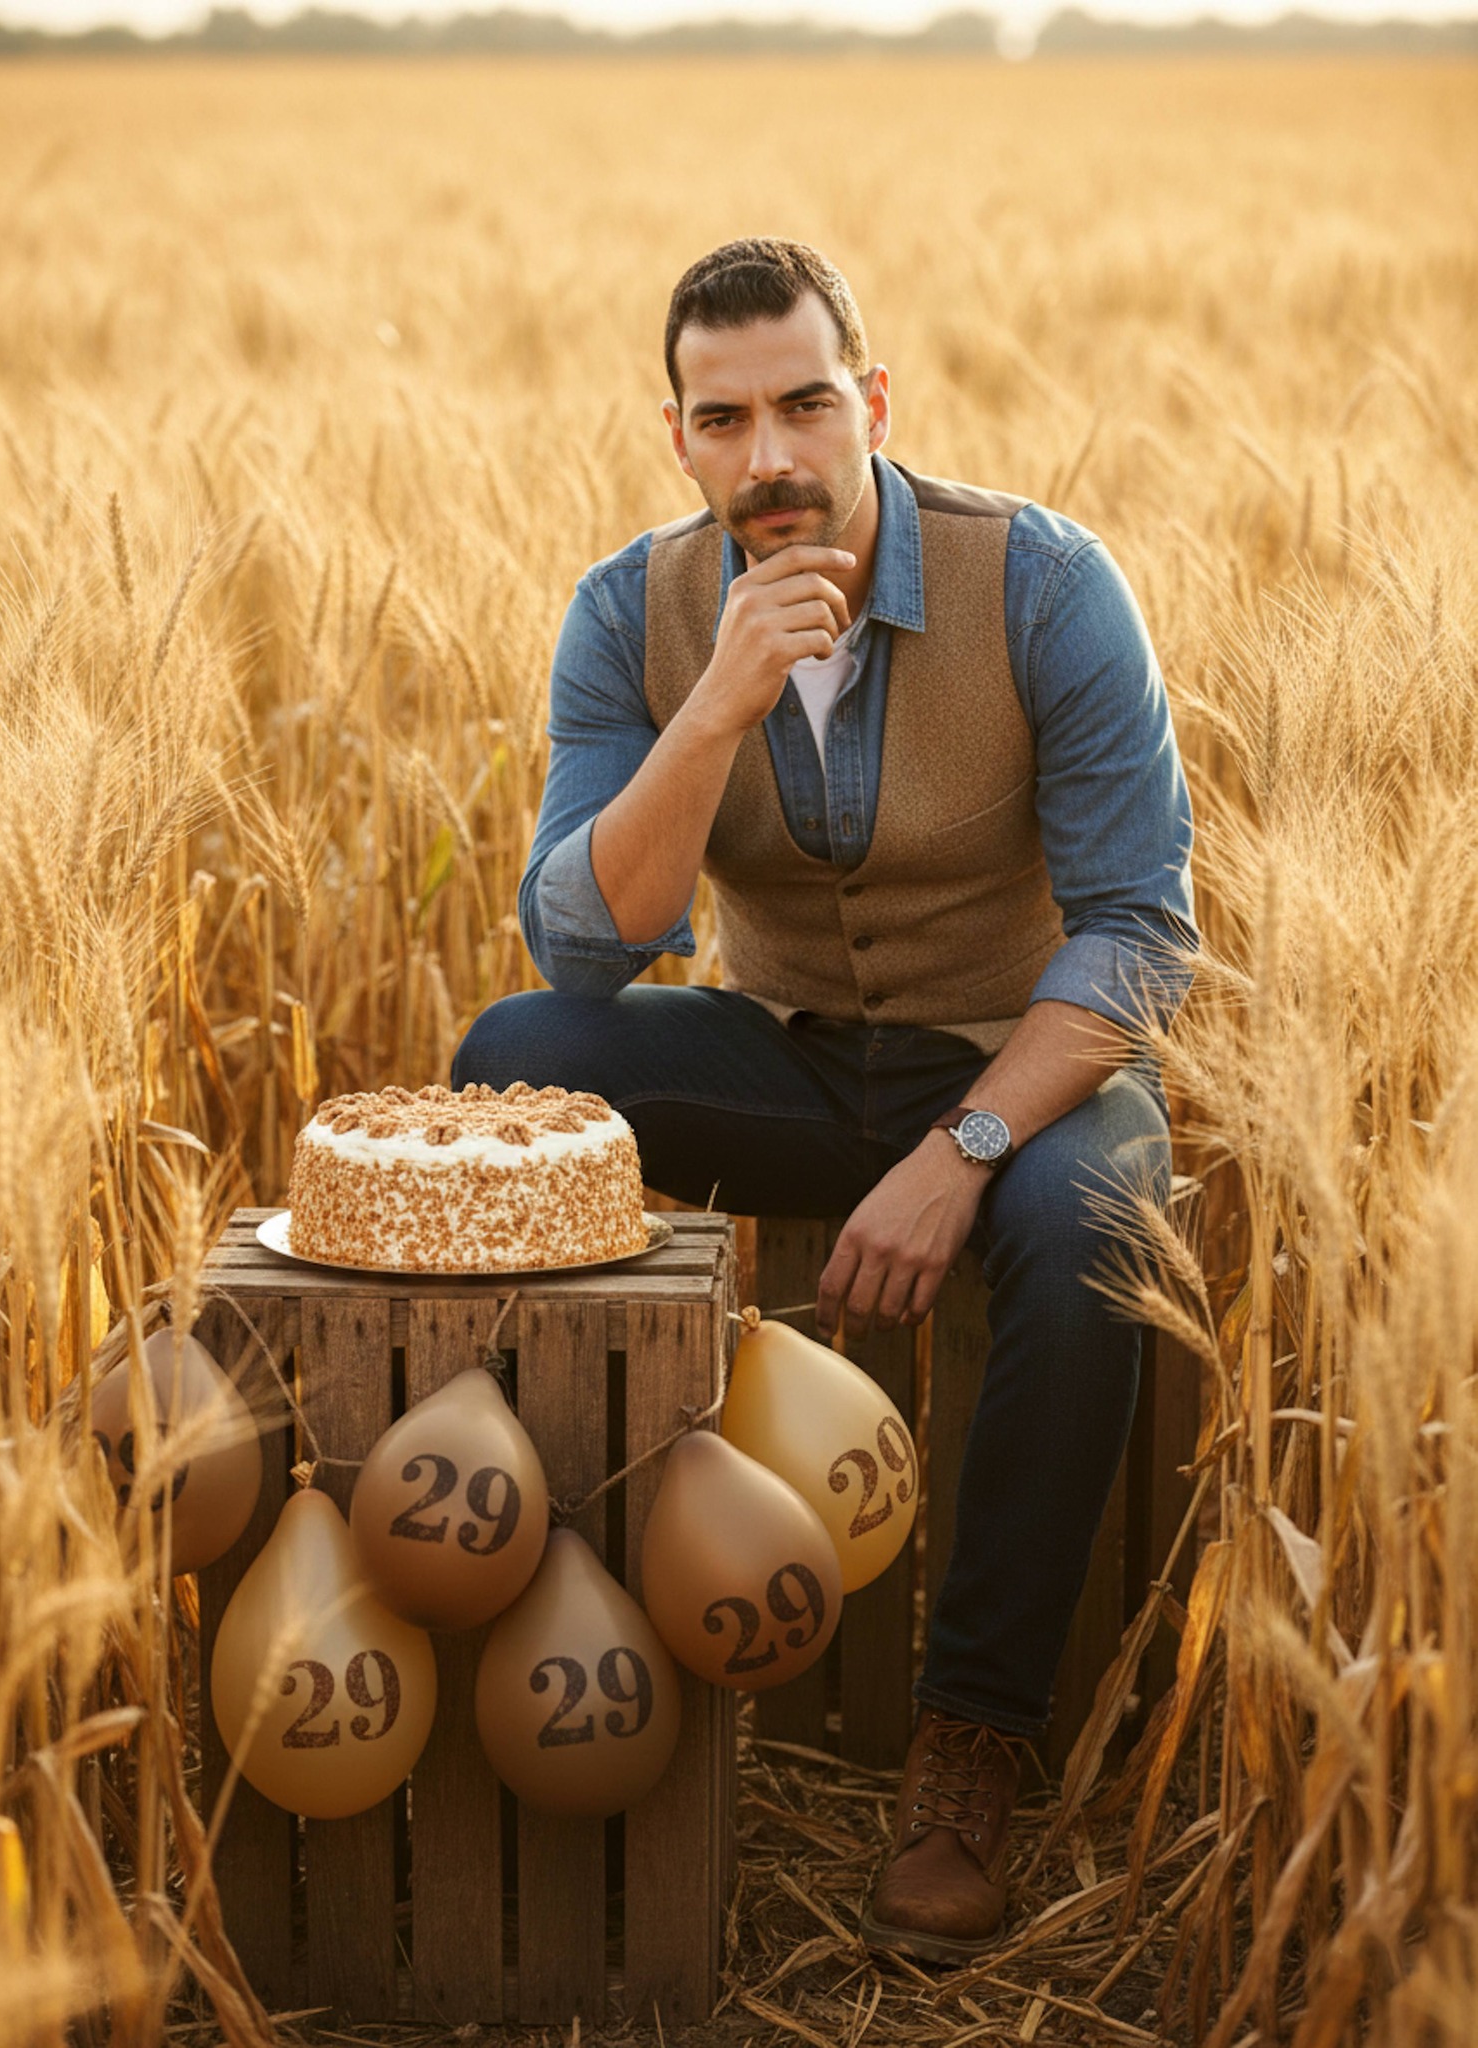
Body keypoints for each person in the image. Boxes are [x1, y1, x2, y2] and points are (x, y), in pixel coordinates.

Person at [453, 238, 1196, 1964]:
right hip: (784, 1051)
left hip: (1022, 1065)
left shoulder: (1044, 585)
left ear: (872, 400)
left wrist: (970, 1150)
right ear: (681, 437)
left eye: (803, 402)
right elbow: (580, 946)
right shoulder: (632, 613)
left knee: (1092, 1230)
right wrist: (713, 704)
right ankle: (575, 1619)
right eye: (727, 419)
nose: (770, 453)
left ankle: (975, 1737)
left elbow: (1143, 933)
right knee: (512, 1066)